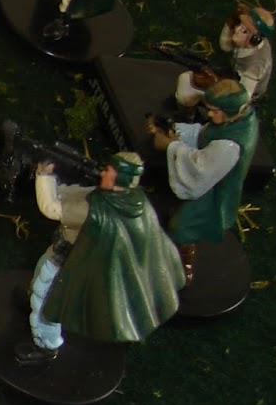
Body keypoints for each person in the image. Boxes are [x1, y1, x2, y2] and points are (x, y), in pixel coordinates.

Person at [17, 153, 185, 365]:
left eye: (108, 171)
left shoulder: (96, 210)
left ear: (119, 179)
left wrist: (43, 175)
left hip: (69, 261)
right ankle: (33, 302)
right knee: (40, 276)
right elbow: (82, 194)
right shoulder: (131, 199)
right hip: (67, 252)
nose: (102, 173)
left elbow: (51, 209)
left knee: (47, 301)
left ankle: (45, 345)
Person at [151, 79, 259, 281]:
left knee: (183, 226)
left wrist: (170, 146)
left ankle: (182, 266)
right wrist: (174, 130)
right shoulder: (235, 119)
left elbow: (199, 169)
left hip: (213, 189)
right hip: (212, 175)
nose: (209, 114)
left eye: (215, 111)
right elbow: (205, 135)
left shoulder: (229, 145)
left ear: (229, 111)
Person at [175, 4, 275, 109]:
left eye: (245, 31)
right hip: (234, 75)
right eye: (240, 24)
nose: (237, 29)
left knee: (186, 84)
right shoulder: (246, 44)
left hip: (240, 96)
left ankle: (187, 115)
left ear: (255, 40)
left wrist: (216, 83)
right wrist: (230, 22)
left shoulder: (254, 66)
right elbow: (225, 46)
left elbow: (242, 100)